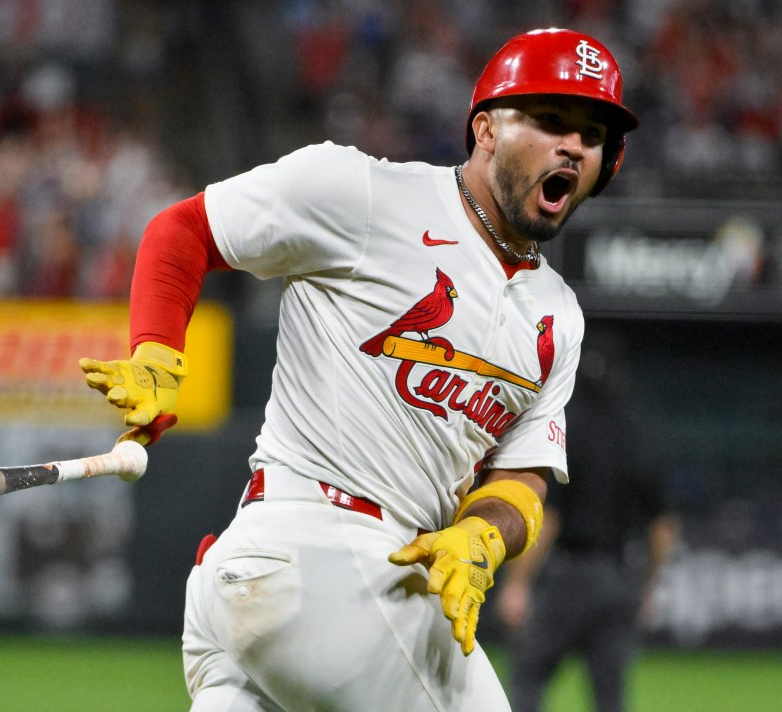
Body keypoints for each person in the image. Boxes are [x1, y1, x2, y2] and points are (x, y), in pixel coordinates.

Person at [80, 27, 639, 711]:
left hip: (262, 589)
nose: (573, 145)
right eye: (551, 120)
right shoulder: (365, 194)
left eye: (592, 134)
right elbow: (183, 232)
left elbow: (521, 476)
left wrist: (483, 534)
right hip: (320, 558)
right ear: (486, 130)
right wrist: (157, 351)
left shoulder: (559, 315)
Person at [498, 328, 678, 712]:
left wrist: (518, 584)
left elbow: (550, 519)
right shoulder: (643, 434)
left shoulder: (569, 427)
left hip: (571, 576)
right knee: (609, 698)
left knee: (528, 674)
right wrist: (647, 586)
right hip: (619, 578)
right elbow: (663, 530)